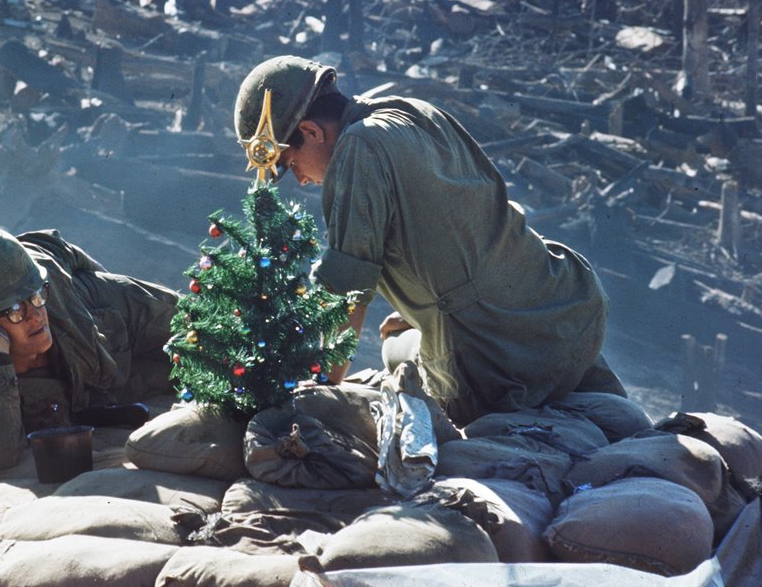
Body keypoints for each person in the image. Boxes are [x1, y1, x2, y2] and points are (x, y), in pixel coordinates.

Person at [233, 55, 627, 427]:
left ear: (311, 131)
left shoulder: (357, 149)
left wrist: (323, 390)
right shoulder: (411, 110)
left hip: (494, 363)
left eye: (289, 164)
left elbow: (347, 289)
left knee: (392, 345)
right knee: (625, 420)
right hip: (560, 308)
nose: (300, 179)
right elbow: (469, 217)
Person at [0, 225, 178, 472]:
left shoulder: (82, 300)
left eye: (36, 296)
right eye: (15, 310)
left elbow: (195, 323)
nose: (36, 316)